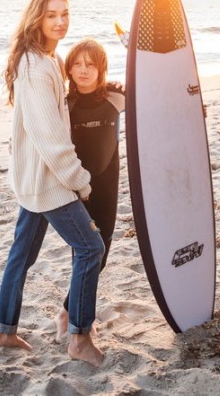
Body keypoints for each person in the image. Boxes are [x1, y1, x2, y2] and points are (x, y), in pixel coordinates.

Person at [0, 0, 105, 368]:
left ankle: (4, 331)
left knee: (20, 256)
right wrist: (80, 181)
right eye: (51, 15)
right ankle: (79, 337)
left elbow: (38, 121)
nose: (60, 22)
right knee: (91, 249)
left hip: (30, 179)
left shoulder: (45, 59)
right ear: (37, 18)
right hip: (48, 182)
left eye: (65, 14)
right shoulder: (37, 67)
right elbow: (50, 138)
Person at [55, 38, 125, 338]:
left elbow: (156, 100)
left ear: (101, 69)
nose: (83, 70)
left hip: (107, 187)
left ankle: (69, 311)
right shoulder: (64, 104)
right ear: (69, 68)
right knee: (84, 253)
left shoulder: (116, 98)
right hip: (76, 188)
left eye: (90, 64)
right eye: (77, 64)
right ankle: (75, 317)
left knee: (102, 252)